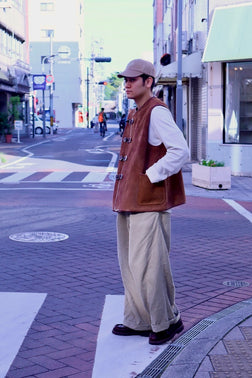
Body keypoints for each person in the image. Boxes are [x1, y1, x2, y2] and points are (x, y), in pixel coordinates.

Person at [112, 59, 189, 345]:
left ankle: (165, 322)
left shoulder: (156, 111)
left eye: (133, 79)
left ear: (149, 81)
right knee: (131, 265)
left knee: (150, 266)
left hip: (147, 201)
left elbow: (180, 151)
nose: (127, 84)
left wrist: (150, 176)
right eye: (125, 79)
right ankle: (139, 321)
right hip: (129, 201)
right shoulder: (136, 112)